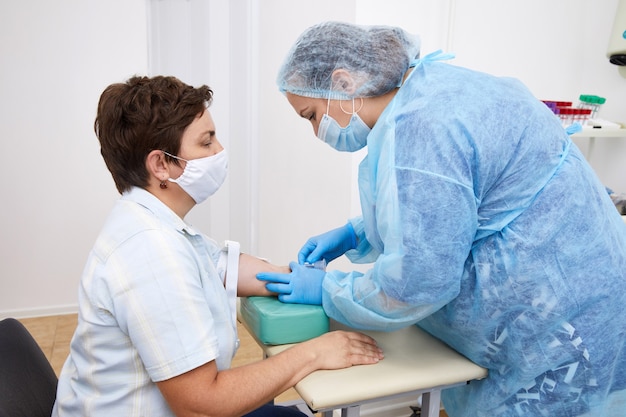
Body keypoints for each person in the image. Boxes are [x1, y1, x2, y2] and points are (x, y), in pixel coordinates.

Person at [257, 21, 626, 417]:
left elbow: (415, 284)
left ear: (344, 83)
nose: (317, 130)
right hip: (578, 291)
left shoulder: (423, 127)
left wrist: (329, 290)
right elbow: (448, 209)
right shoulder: (436, 87)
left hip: (562, 329)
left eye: (311, 115)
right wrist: (355, 233)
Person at [52, 75, 384, 417]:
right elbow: (203, 405)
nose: (220, 151)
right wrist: (314, 353)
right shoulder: (150, 253)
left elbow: (219, 266)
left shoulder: (150, 221)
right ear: (161, 164)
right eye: (206, 142)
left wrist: (298, 277)